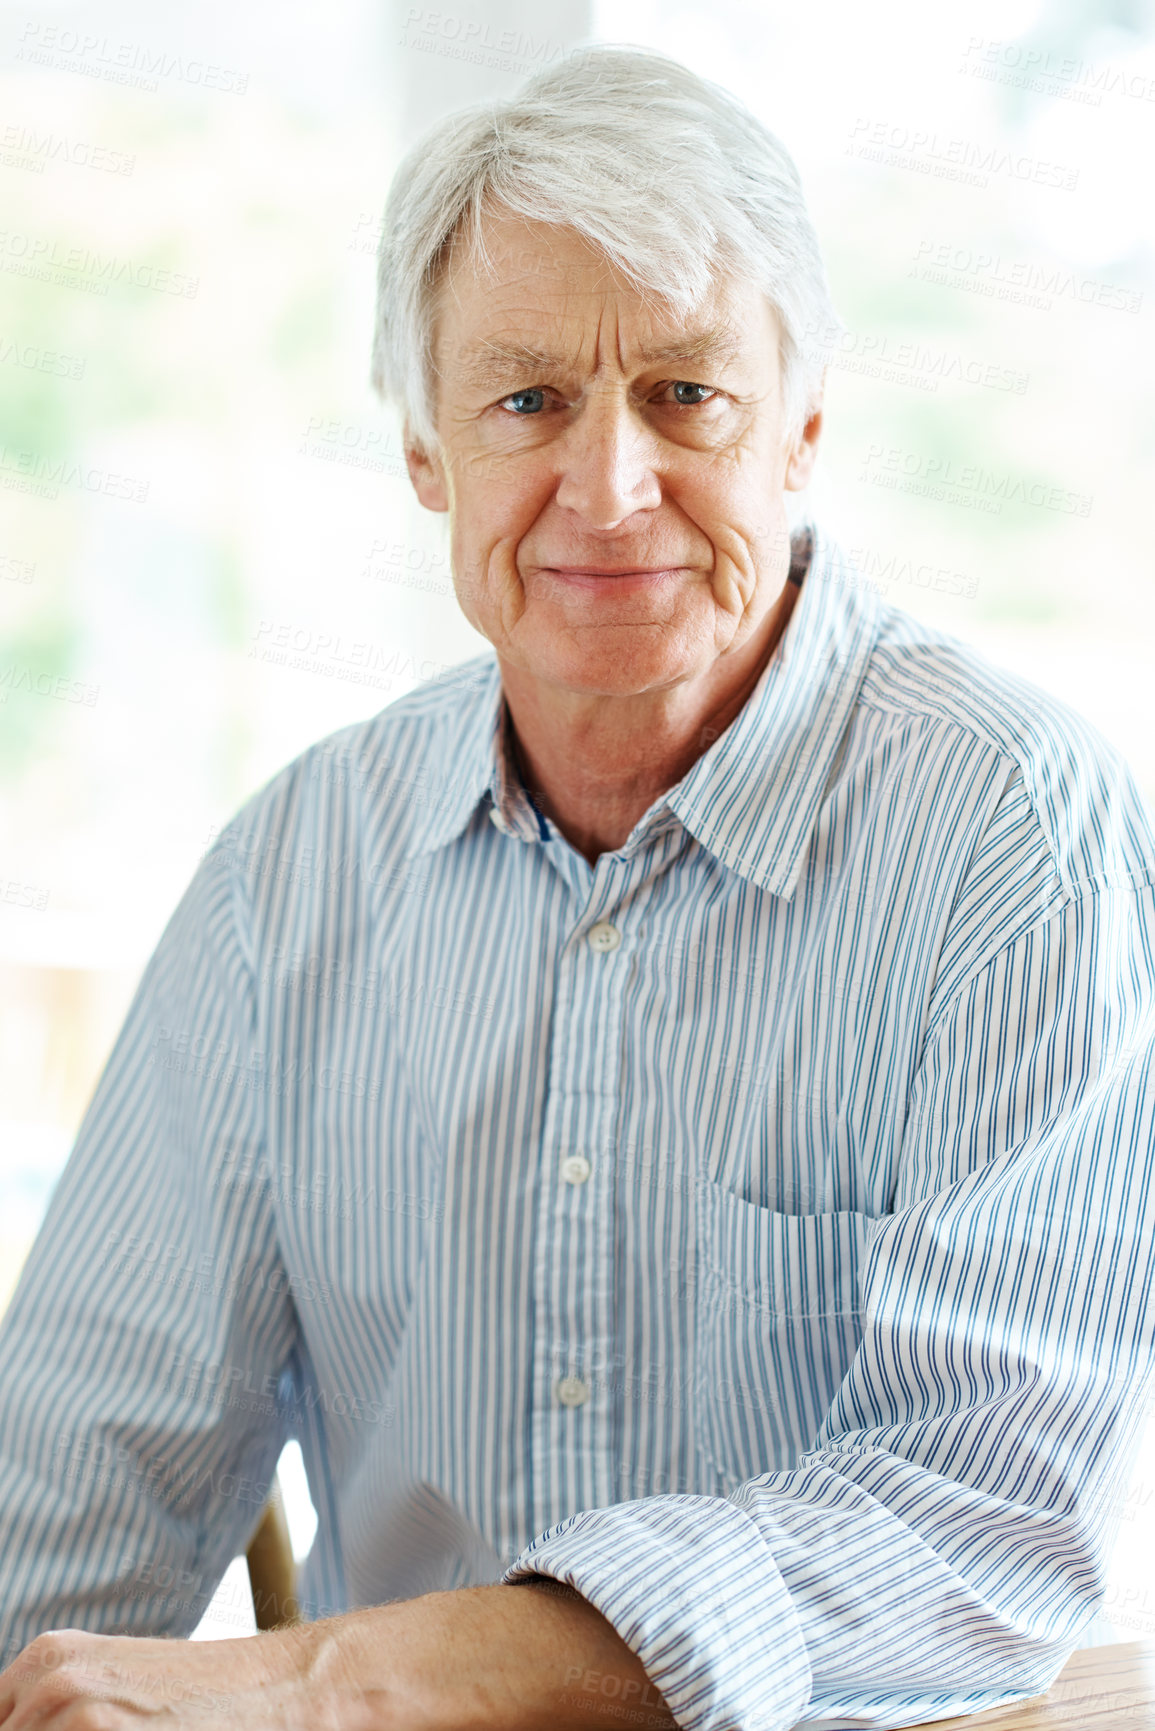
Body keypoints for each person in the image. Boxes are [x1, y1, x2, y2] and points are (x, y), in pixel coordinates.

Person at [0, 41, 1152, 1731]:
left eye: (687, 395)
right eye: (528, 400)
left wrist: (347, 1680)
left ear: (805, 430)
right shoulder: (289, 881)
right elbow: (63, 1510)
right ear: (424, 455)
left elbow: (978, 1528)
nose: (609, 491)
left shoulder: (1018, 841)